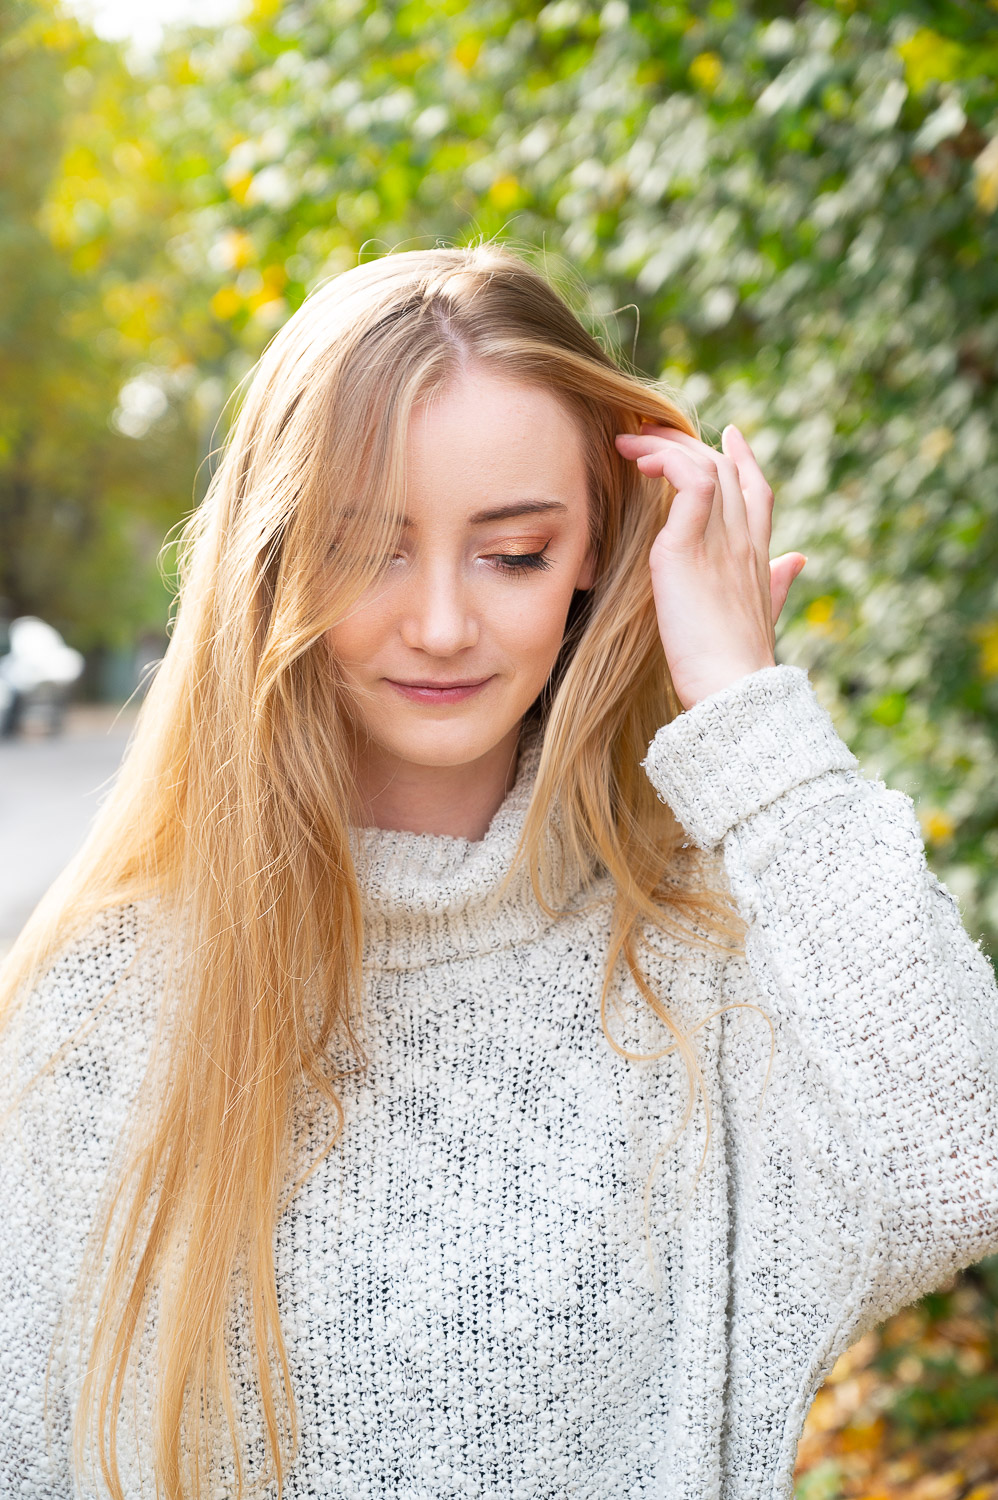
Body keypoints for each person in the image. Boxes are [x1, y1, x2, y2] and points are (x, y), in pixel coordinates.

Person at [1, 242, 996, 1500]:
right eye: (365, 549)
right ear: (275, 556)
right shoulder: (108, 997)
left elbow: (963, 1155)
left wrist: (746, 709)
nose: (437, 625)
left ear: (593, 553)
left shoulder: (694, 963)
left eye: (512, 552)